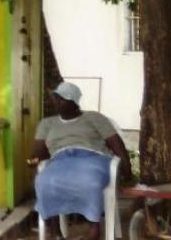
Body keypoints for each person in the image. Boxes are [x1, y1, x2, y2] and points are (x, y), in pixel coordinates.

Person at [29, 81, 134, 239]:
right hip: (61, 160)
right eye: (56, 98)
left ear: (73, 102)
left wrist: (127, 169)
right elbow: (39, 152)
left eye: (61, 99)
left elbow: (115, 143)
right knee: (44, 181)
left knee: (90, 181)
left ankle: (94, 228)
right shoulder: (47, 124)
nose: (56, 102)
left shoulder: (94, 118)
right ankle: (56, 232)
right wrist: (34, 159)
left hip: (93, 158)